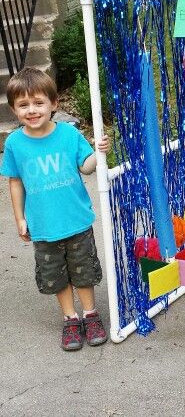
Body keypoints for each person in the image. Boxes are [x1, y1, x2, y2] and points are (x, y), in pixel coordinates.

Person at [0, 67, 109, 351]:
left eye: (38, 102)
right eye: (23, 105)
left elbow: (85, 168)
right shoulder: (14, 143)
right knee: (56, 275)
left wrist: (98, 153)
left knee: (83, 271)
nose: (32, 110)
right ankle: (70, 318)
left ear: (54, 104)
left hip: (76, 220)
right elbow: (15, 182)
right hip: (44, 226)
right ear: (14, 109)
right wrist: (20, 218)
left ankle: (90, 314)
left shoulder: (69, 135)